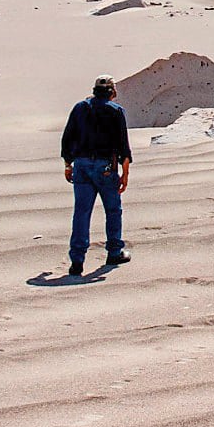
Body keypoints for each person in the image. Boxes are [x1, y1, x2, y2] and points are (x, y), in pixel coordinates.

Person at [61, 74, 133, 276]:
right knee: (112, 210)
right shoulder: (116, 111)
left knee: (82, 213)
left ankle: (77, 261)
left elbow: (67, 138)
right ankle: (114, 252)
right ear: (112, 92)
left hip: (81, 165)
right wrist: (125, 173)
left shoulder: (79, 108)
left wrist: (68, 164)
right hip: (105, 168)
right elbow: (123, 146)